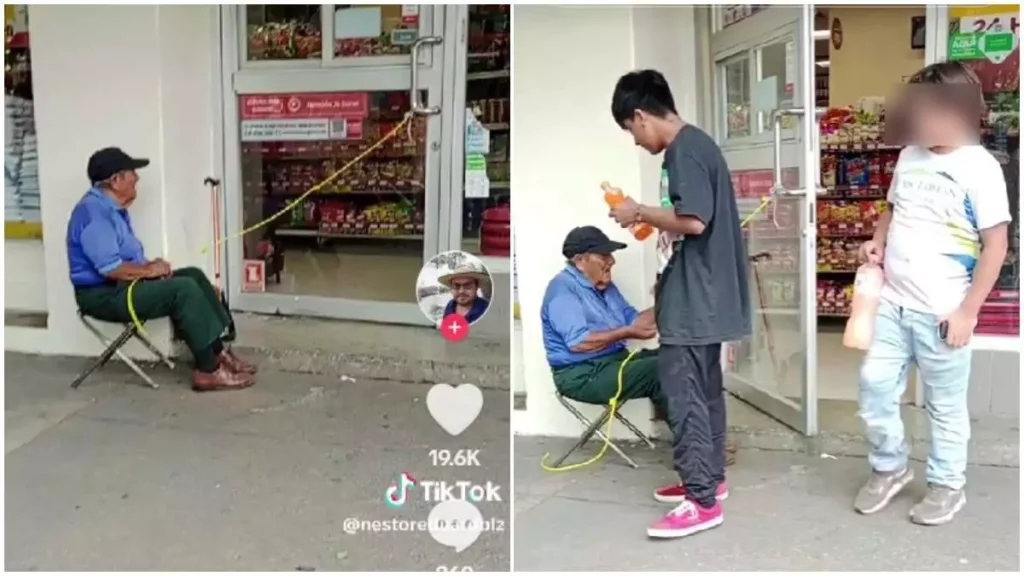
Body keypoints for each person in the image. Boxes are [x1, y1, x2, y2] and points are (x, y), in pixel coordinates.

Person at [854, 62, 1009, 525]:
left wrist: (968, 313)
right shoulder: (910, 155)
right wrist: (878, 239)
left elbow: (996, 246)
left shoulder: (979, 168)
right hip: (893, 306)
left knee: (944, 407)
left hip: (943, 314)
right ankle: (889, 468)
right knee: (874, 387)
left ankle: (946, 485)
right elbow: (892, 208)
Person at [608, 69, 751, 539]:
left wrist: (638, 211)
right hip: (704, 294)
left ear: (641, 115)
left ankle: (701, 501)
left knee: (684, 395)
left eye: (631, 130)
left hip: (695, 296)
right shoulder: (699, 144)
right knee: (705, 390)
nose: (634, 141)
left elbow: (693, 220)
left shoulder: (683, 150)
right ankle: (709, 481)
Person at [67, 147, 257, 392]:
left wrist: (148, 266)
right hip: (103, 295)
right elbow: (110, 269)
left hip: (121, 286)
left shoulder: (112, 209)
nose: (137, 178)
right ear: (115, 180)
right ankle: (208, 370)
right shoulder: (95, 215)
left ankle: (219, 352)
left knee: (193, 276)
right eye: (131, 173)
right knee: (183, 290)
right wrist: (148, 272)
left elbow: (121, 260)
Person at [541, 226, 665, 414]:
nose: (612, 261)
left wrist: (670, 300)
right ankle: (692, 438)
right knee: (661, 368)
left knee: (678, 355)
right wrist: (625, 332)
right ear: (580, 261)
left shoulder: (606, 286)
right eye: (604, 255)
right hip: (581, 375)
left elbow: (635, 322)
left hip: (614, 361)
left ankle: (696, 434)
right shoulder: (563, 290)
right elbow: (579, 343)